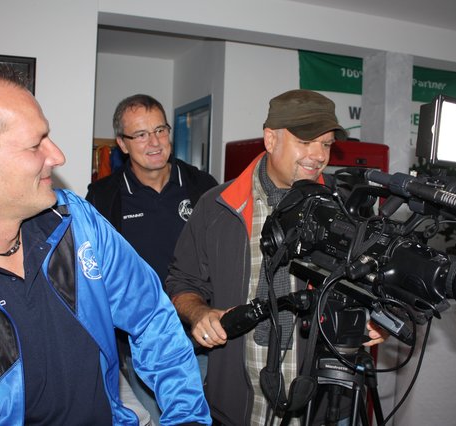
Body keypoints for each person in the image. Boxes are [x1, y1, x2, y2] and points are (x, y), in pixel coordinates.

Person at [0, 62, 210, 425]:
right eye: (34, 144)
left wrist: (187, 417)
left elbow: (152, 315)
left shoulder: (76, 220)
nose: (57, 156)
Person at [165, 89, 387, 425]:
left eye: (325, 143)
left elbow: (376, 284)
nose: (318, 155)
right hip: (237, 408)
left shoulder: (348, 209)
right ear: (271, 139)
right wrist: (199, 314)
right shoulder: (216, 206)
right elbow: (182, 283)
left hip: (322, 408)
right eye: (306, 140)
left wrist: (376, 317)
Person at [86, 94, 218, 424]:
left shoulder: (203, 187)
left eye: (160, 130)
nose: (155, 142)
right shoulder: (103, 197)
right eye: (141, 134)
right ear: (122, 144)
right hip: (139, 351)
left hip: (200, 342)